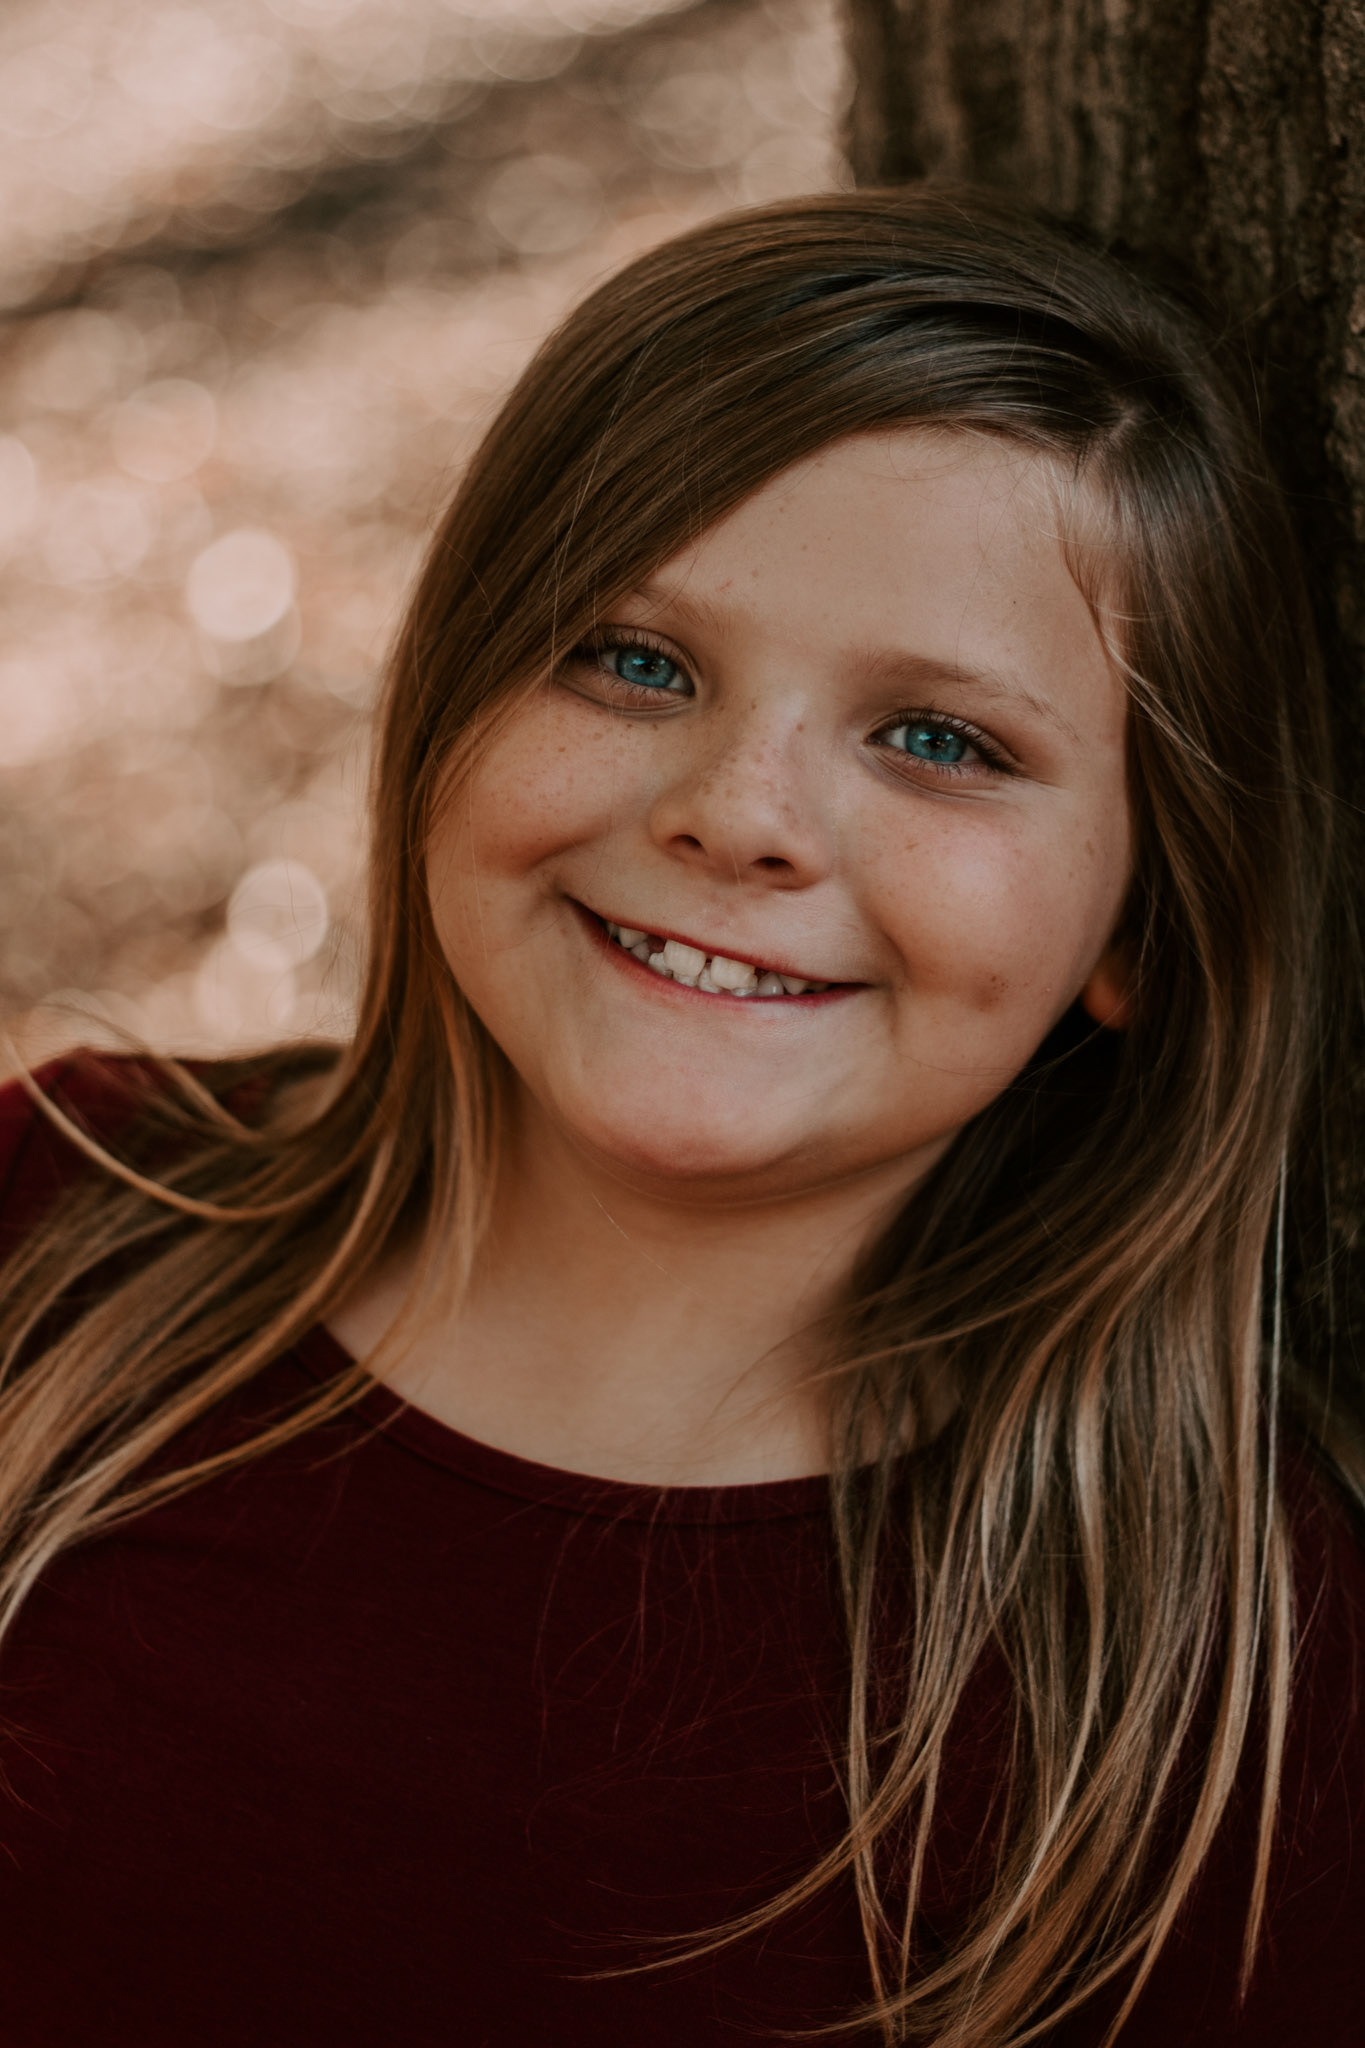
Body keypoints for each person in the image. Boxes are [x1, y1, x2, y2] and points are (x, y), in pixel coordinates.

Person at [0, 185, 1361, 2048]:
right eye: (635, 660)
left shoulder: (1224, 1696)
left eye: (939, 740)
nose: (739, 812)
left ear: (1142, 919)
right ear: (455, 696)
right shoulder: (54, 1236)